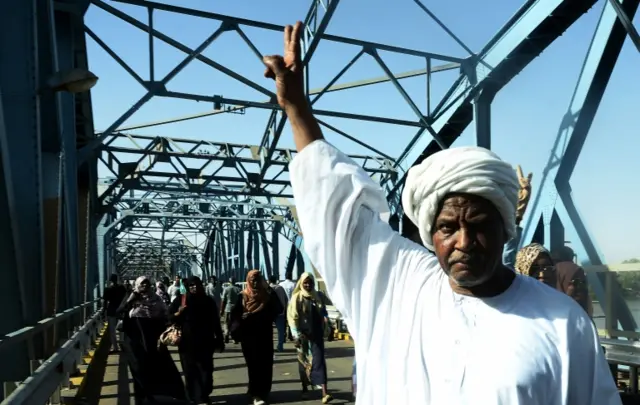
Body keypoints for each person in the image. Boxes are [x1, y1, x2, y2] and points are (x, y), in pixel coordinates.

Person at [262, 21, 620, 404]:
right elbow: (334, 204)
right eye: (448, 227)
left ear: (506, 227)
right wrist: (297, 109)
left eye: (479, 225)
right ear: (430, 233)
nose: (463, 242)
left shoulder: (562, 322)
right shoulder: (396, 283)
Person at [117, 276, 185, 404]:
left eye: (147, 284)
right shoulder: (130, 298)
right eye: (142, 284)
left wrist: (176, 317)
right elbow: (119, 312)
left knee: (155, 368)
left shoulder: (156, 299)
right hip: (133, 341)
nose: (145, 286)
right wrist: (130, 301)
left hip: (152, 340)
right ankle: (141, 398)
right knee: (138, 368)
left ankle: (155, 396)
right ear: (137, 285)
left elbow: (166, 316)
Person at [230, 270, 283, 405]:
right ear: (248, 280)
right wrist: (241, 320)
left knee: (265, 364)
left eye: (257, 280)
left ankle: (262, 392)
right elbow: (235, 315)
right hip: (249, 336)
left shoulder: (267, 296)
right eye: (252, 280)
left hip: (264, 335)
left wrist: (268, 288)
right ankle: (256, 393)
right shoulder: (242, 296)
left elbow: (279, 308)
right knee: (253, 365)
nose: (254, 282)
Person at [169, 276, 225, 404]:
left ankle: (204, 393)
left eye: (196, 285)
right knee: (190, 371)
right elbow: (169, 317)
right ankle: (195, 397)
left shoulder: (208, 301)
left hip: (206, 341)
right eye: (191, 285)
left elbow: (216, 321)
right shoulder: (181, 300)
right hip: (186, 343)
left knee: (206, 370)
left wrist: (220, 339)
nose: (194, 287)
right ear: (187, 287)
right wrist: (179, 313)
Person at [288, 272, 332, 403]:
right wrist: (296, 336)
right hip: (302, 336)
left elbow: (327, 309)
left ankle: (324, 392)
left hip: (317, 335)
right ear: (301, 283)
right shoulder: (297, 298)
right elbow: (292, 318)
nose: (308, 285)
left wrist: (327, 326)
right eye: (305, 282)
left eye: (310, 282)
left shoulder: (318, 296)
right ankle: (305, 389)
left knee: (319, 362)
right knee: (304, 363)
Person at [552, 246, 593, 316]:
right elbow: (582, 295)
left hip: (554, 313)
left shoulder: (549, 270)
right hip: (573, 314)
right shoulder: (576, 269)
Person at [103, 274, 127, 353]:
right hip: (120, 310)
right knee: (121, 329)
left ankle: (115, 348)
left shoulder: (107, 289)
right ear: (117, 279)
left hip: (111, 310)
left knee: (112, 330)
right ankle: (122, 344)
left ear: (110, 280)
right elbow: (125, 299)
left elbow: (105, 302)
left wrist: (104, 312)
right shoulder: (122, 288)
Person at [269, 275, 289, 352]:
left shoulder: (267, 288)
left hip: (270, 313)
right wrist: (284, 309)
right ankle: (280, 346)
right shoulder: (280, 288)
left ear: (269, 281)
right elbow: (286, 299)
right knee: (280, 331)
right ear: (276, 280)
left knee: (268, 330)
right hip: (280, 312)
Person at [220, 276, 240, 343]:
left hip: (227, 308)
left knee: (226, 323)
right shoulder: (238, 289)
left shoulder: (226, 289)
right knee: (234, 323)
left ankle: (226, 333)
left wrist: (221, 310)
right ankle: (234, 338)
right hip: (236, 309)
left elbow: (223, 300)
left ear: (229, 282)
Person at [279, 272, 296, 341]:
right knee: (290, 320)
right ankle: (290, 335)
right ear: (291, 276)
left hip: (283, 304)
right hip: (291, 305)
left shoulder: (281, 284)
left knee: (283, 321)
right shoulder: (294, 284)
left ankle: (283, 336)